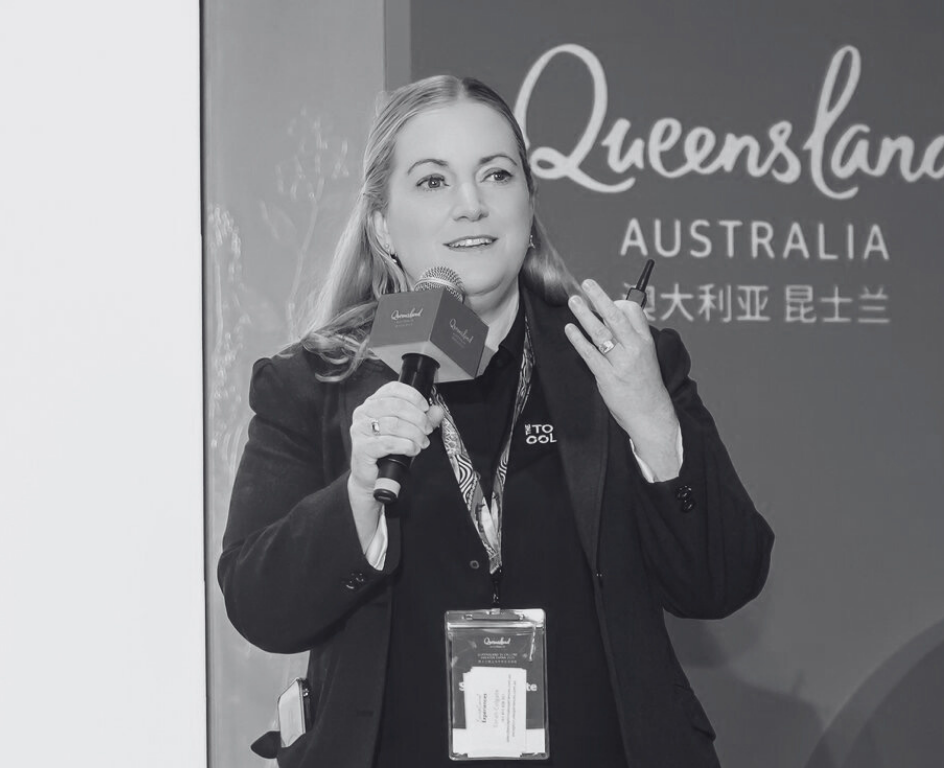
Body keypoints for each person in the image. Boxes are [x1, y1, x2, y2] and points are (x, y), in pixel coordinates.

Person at [218, 75, 774, 768]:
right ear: (382, 224)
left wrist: (654, 425)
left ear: (529, 203)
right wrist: (357, 496)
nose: (471, 204)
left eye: (497, 174)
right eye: (433, 181)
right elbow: (260, 608)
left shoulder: (621, 360)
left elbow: (723, 580)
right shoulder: (314, 384)